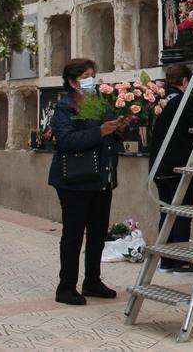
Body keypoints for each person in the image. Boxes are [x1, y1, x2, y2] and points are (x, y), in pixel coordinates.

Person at [47, 58, 133, 305]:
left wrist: (118, 127)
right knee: (73, 234)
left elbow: (106, 133)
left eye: (92, 74)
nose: (90, 79)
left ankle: (92, 281)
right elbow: (66, 141)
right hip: (74, 182)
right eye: (85, 75)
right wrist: (101, 131)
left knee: (97, 233)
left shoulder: (95, 103)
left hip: (100, 179)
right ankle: (66, 286)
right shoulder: (66, 107)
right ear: (73, 81)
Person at [149, 64, 193, 273]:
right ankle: (181, 259)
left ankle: (166, 259)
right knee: (182, 213)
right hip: (180, 168)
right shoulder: (186, 104)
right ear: (184, 81)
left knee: (166, 212)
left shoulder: (159, 101)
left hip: (158, 167)